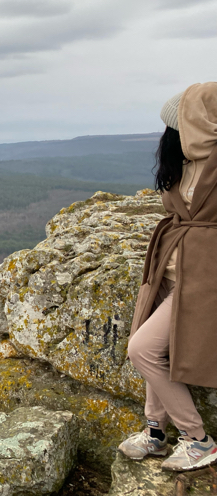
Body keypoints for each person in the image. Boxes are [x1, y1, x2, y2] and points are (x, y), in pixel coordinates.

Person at [118, 82, 217, 472]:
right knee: (152, 349)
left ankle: (199, 440)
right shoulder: (184, 162)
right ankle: (156, 432)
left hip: (204, 278)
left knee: (141, 349)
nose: (168, 135)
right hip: (170, 270)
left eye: (177, 127)